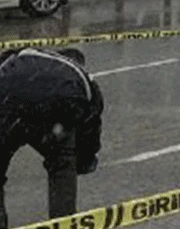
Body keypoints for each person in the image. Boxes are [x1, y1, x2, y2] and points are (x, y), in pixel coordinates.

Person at [0, 48, 103, 228]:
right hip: (56, 115)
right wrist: (84, 161)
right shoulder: (84, 78)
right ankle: (62, 222)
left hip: (9, 103)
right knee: (62, 165)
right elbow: (91, 127)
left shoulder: (28, 53)